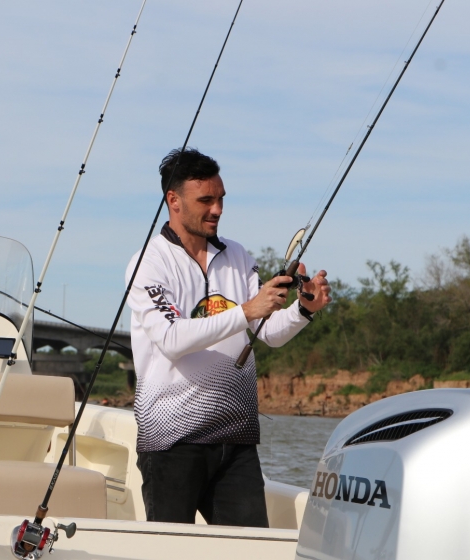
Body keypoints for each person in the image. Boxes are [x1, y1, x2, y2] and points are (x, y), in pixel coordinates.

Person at [126, 148, 331, 527]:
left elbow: (268, 332)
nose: (217, 209)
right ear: (173, 200)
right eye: (205, 200)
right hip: (170, 440)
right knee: (170, 551)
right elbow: (170, 338)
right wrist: (247, 310)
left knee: (250, 549)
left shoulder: (237, 255)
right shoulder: (148, 264)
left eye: (221, 199)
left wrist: (303, 310)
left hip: (236, 438)